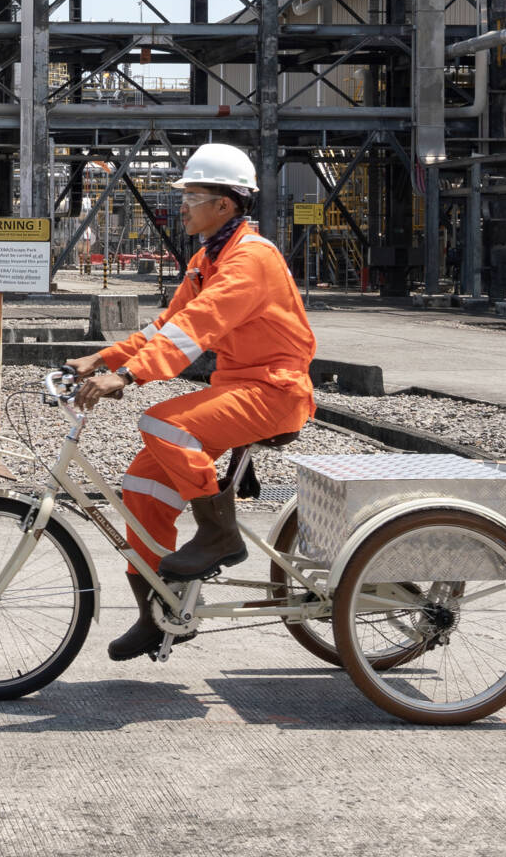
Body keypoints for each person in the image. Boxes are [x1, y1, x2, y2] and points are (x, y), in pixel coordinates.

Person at [65, 144, 316, 661]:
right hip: (238, 387)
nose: (183, 205)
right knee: (140, 486)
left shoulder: (252, 259)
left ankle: (218, 535)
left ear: (225, 204)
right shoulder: (209, 258)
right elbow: (168, 327)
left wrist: (129, 377)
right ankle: (158, 614)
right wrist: (103, 359)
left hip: (275, 390)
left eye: (193, 195)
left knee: (162, 424)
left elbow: (197, 331)